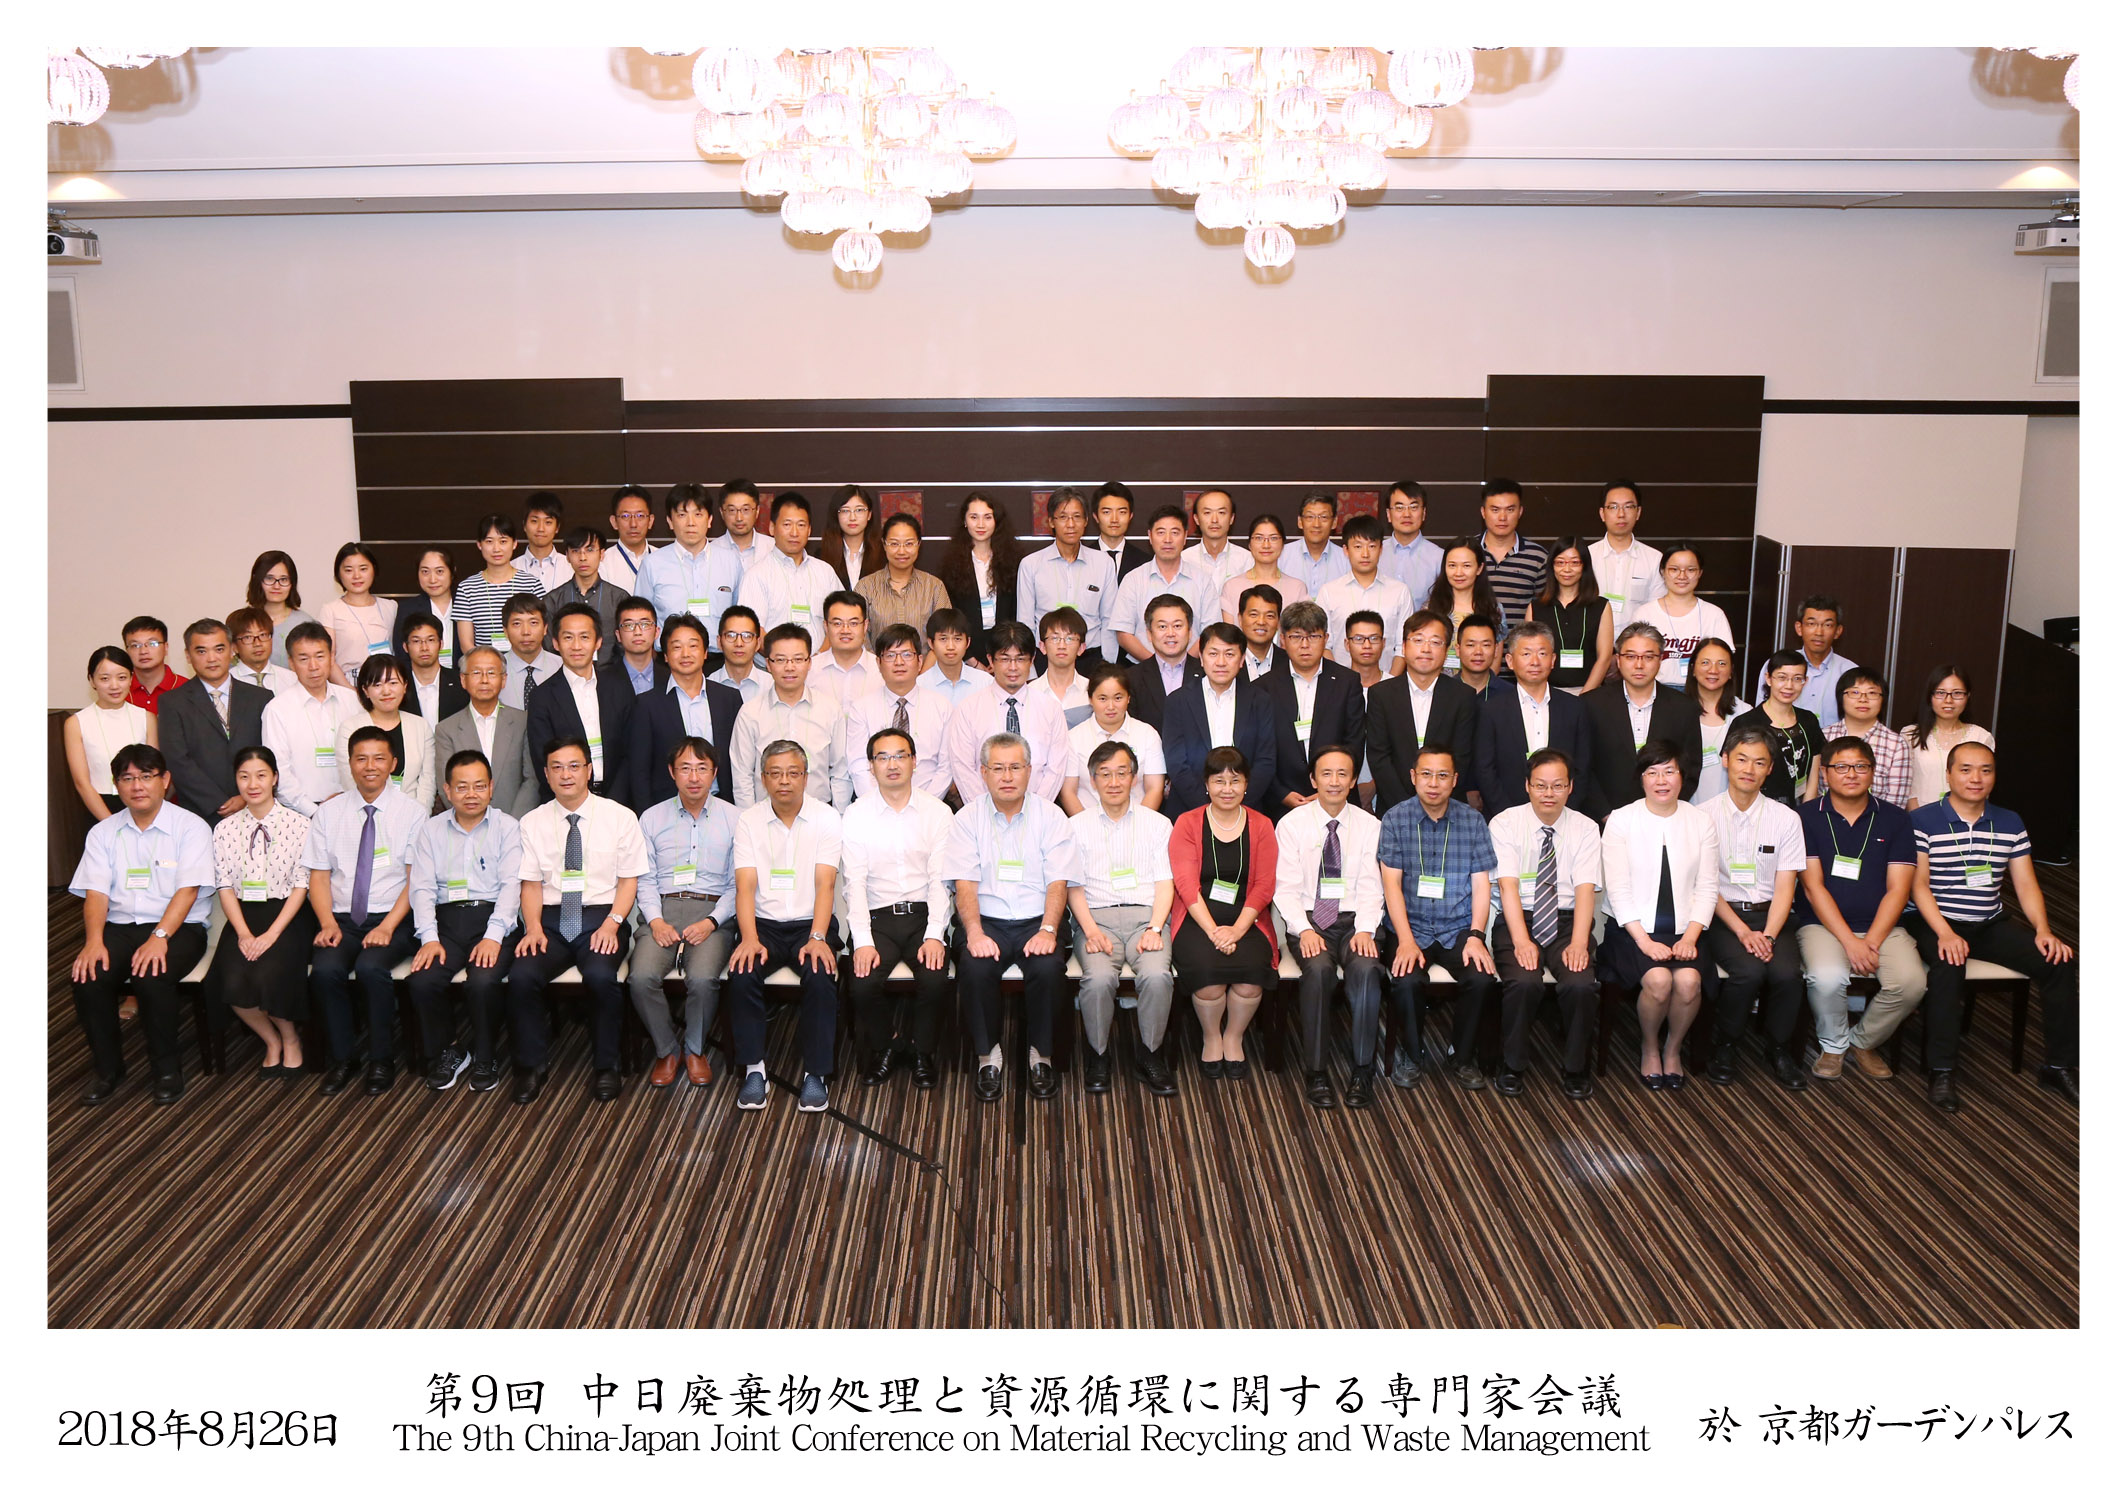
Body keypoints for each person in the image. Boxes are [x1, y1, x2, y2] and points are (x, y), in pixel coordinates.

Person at [1905, 742, 2077, 1110]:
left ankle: (2059, 1065)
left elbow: (2026, 884)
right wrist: (1945, 932)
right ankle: (1942, 1070)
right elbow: (1918, 885)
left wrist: (2043, 930)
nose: (1976, 778)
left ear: (1995, 776)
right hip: (1936, 922)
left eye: (1986, 770)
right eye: (1966, 769)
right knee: (1949, 963)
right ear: (1949, 775)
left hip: (1988, 922)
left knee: (2058, 961)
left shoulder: (2010, 821)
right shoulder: (1923, 820)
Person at [67, 744, 214, 1105]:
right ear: (116, 785)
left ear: (165, 780)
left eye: (146, 776)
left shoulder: (190, 827)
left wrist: (159, 936)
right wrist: (93, 941)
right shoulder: (103, 833)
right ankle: (108, 1069)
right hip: (120, 926)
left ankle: (166, 1069)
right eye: (127, 778)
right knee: (88, 975)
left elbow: (188, 891)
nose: (137, 786)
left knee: (151, 974)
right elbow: (96, 894)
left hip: (179, 928)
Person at [508, 737, 647, 1104]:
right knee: (522, 975)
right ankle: (530, 1066)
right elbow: (530, 884)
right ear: (546, 774)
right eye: (557, 767)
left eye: (574, 766)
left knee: (601, 976)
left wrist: (613, 923)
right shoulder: (532, 822)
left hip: (603, 916)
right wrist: (532, 928)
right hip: (550, 920)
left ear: (589, 770)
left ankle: (606, 1066)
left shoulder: (620, 817)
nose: (566, 774)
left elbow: (629, 880)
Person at [947, 732, 1077, 1100]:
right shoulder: (967, 819)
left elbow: (1058, 882)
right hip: (986, 920)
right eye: (998, 768)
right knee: (974, 967)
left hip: (1038, 918)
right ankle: (988, 1056)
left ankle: (1041, 1055)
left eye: (1015, 767)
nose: (1007, 776)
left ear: (1029, 771)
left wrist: (1048, 929)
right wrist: (974, 933)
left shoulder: (1051, 816)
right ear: (983, 773)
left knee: (1048, 968)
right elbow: (965, 885)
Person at [1795, 736, 1926, 1083]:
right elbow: (1813, 887)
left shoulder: (1896, 819)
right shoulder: (1805, 817)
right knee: (1826, 977)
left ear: (1872, 771)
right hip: (1821, 925)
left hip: (1882, 926)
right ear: (1825, 773)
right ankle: (1833, 1046)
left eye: (1860, 766)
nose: (1851, 774)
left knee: (1911, 983)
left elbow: (1899, 889)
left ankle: (1863, 1041)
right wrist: (1851, 943)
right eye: (1841, 767)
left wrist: (1872, 940)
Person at [303, 725, 424, 1098]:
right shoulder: (329, 813)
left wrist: (387, 927)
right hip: (342, 919)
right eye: (361, 759)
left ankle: (381, 1060)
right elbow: (318, 877)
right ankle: (343, 1059)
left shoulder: (412, 813)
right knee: (325, 970)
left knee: (372, 968)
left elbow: (414, 881)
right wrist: (326, 923)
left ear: (393, 764)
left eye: (378, 759)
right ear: (350, 763)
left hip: (395, 918)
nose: (370, 766)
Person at [727, 740, 843, 1112]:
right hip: (763, 924)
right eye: (775, 774)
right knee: (742, 972)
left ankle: (816, 1073)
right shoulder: (749, 820)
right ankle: (754, 1069)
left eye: (793, 773)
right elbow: (745, 885)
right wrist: (748, 938)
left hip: (812, 923)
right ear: (763, 779)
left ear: (806, 777)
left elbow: (826, 884)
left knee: (820, 974)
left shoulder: (826, 818)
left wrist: (818, 937)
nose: (784, 781)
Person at [1378, 746, 1500, 1092]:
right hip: (1410, 926)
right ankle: (1412, 1053)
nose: (1434, 783)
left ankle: (1461, 1055)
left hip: (1457, 927)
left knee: (1481, 978)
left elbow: (1481, 885)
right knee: (1406, 980)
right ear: (1413, 777)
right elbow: (1391, 886)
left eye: (1443, 775)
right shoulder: (1395, 819)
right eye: (1427, 774)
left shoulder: (1473, 821)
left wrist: (1476, 935)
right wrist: (1405, 940)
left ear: (1455, 780)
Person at [1598, 740, 1718, 1090]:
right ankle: (1650, 1046)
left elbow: (1708, 886)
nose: (1661, 780)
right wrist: (1645, 942)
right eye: (1652, 772)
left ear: (1683, 777)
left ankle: (1673, 1048)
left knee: (1689, 982)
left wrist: (1691, 938)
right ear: (1641, 778)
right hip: (1631, 932)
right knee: (1659, 980)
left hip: (1686, 931)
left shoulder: (1700, 821)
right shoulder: (1621, 820)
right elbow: (1617, 889)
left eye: (1669, 771)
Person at [843, 727, 955, 1089]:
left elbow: (941, 881)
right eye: (883, 757)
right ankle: (888, 1045)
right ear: (871, 766)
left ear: (914, 762)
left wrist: (935, 934)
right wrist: (862, 941)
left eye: (900, 756)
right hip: (878, 917)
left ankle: (923, 1051)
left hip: (923, 914)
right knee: (861, 983)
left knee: (935, 979)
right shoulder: (856, 815)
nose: (892, 765)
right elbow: (854, 883)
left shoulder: (937, 813)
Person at [406, 749, 523, 1094]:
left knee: (482, 982)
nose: (471, 794)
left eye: (479, 786)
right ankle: (451, 1051)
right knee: (423, 980)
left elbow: (511, 887)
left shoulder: (508, 827)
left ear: (491, 787)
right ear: (447, 790)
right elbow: (422, 888)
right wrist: (429, 937)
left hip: (493, 919)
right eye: (462, 787)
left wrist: (493, 936)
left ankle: (486, 1055)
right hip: (446, 922)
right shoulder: (431, 830)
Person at [1065, 741, 1179, 1095]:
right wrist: (1089, 930)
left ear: (1134, 777)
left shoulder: (1158, 824)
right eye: (1105, 774)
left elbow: (1165, 882)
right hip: (1096, 919)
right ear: (1092, 780)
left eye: (1121, 773)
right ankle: (1098, 1054)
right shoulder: (1075, 826)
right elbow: (1072, 887)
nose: (1113, 782)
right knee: (1098, 979)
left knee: (1157, 976)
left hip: (1147, 918)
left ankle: (1150, 1053)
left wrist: (1156, 927)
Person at [1488, 750, 1602, 1099]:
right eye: (1540, 785)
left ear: (1570, 787)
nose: (1548, 793)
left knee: (1580, 985)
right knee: (1524, 982)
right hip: (1518, 919)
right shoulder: (1505, 823)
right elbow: (1507, 886)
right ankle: (1512, 1065)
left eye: (1557, 785)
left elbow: (1585, 890)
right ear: (1527, 786)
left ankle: (1576, 1067)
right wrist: (1521, 941)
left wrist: (1580, 942)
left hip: (1568, 922)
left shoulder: (1586, 828)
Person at [1701, 726, 1811, 1090]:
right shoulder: (1702, 816)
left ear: (1770, 769)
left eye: (1759, 762)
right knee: (1747, 972)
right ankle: (1726, 1044)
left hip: (1772, 916)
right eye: (1742, 759)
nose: (1749, 769)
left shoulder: (1786, 818)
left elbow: (1786, 886)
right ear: (1725, 760)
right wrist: (1743, 931)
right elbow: (1706, 886)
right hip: (1722, 916)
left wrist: (1769, 935)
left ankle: (1778, 1048)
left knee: (1787, 974)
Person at [1277, 746, 1386, 1108]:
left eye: (1343, 774)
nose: (1334, 781)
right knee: (1319, 970)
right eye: (1326, 773)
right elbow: (1285, 888)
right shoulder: (1291, 824)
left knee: (1367, 970)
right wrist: (1303, 929)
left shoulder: (1370, 826)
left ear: (1353, 781)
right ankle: (1316, 1070)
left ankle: (1362, 1069)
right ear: (1313, 779)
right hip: (1311, 921)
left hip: (1356, 920)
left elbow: (1373, 886)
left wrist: (1366, 929)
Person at [627, 738, 738, 1090]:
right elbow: (644, 879)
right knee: (640, 978)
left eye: (702, 768)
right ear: (672, 773)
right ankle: (667, 1050)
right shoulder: (651, 817)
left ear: (714, 773)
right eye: (685, 768)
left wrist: (712, 921)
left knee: (703, 979)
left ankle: (695, 1050)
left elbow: (739, 884)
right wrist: (656, 921)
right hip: (662, 909)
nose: (694, 777)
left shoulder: (735, 819)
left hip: (713, 911)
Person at [1167, 747, 1279, 1081]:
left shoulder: (1262, 825)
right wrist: (1215, 931)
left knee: (1250, 977)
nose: (1227, 789)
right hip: (1197, 919)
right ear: (1206, 784)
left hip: (1249, 919)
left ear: (1246, 785)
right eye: (1219, 781)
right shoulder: (1187, 823)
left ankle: (1234, 1036)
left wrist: (1236, 930)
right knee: (1209, 978)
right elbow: (1186, 885)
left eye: (1235, 781)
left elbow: (1264, 885)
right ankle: (1212, 1036)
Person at [207, 746, 317, 1078]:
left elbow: (302, 884)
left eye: (260, 775)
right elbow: (224, 885)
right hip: (244, 916)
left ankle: (290, 1038)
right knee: (230, 977)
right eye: (244, 777)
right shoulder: (224, 829)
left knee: (269, 974)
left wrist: (272, 934)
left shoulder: (299, 825)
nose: (252, 784)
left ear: (274, 778)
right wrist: (243, 933)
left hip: (289, 916)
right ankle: (270, 1039)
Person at [1475, 621, 1598, 816]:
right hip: (1507, 817)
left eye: (1542, 653)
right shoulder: (1491, 709)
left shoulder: (1575, 707)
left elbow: (1582, 767)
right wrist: (1508, 816)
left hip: (1564, 816)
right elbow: (1485, 769)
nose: (1535, 662)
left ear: (1553, 660)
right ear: (1510, 661)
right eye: (1526, 654)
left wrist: (1566, 812)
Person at [943, 622, 1070, 807]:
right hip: (983, 813)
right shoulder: (968, 709)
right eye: (1004, 659)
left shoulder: (1051, 709)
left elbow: (1056, 769)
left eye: (1020, 659)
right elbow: (963, 769)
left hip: (1039, 813)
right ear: (991, 660)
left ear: (1032, 660)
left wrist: (1036, 812)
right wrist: (986, 812)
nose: (1013, 667)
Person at [1366, 610, 1479, 816]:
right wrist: (1406, 807)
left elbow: (1462, 757)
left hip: (1447, 809)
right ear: (1404, 646)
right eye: (1418, 640)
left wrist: (1436, 803)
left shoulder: (1463, 696)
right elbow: (1379, 756)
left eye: (1435, 642)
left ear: (1446, 650)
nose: (1426, 649)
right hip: (1394, 809)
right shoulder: (1381, 694)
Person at [1583, 620, 1702, 815]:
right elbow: (1583, 766)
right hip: (1605, 818)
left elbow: (1691, 769)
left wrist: (1664, 811)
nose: (1639, 665)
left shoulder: (1684, 708)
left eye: (1648, 657)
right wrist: (1605, 815)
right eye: (1630, 656)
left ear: (1660, 659)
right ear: (1618, 660)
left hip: (1664, 817)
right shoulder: (1591, 705)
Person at [161, 619, 272, 826]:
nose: (211, 658)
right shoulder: (172, 702)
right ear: (188, 655)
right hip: (200, 814)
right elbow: (177, 761)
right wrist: (218, 802)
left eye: (219, 649)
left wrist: (245, 796)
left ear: (232, 650)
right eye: (201, 651)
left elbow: (269, 754)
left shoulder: (260, 698)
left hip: (255, 808)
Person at [524, 603, 635, 806]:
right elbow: (543, 760)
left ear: (598, 642)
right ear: (555, 643)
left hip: (618, 802)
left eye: (584, 637)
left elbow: (630, 751)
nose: (576, 646)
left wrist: (613, 803)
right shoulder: (542, 697)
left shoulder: (619, 687)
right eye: (568, 637)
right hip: (565, 803)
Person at [1162, 622, 1277, 816]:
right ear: (1201, 658)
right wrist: (1208, 808)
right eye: (1213, 654)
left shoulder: (1260, 700)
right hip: (1190, 810)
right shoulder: (1178, 701)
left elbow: (1265, 760)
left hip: (1246, 810)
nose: (1221, 662)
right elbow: (1176, 763)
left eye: (1230, 654)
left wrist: (1238, 803)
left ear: (1242, 660)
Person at [729, 623, 850, 809]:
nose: (790, 667)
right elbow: (742, 777)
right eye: (780, 660)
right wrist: (749, 820)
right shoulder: (750, 713)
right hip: (766, 815)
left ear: (809, 663)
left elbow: (841, 772)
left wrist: (838, 816)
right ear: (768, 664)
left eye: (798, 659)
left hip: (819, 814)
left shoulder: (830, 710)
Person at [632, 613, 743, 808]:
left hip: (722, 805)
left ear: (705, 652)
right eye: (677, 647)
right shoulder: (647, 704)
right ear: (666, 656)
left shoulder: (729, 699)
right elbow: (639, 770)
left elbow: (741, 761)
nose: (685, 654)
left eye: (693, 646)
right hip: (668, 809)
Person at [1264, 601, 1364, 816]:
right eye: (1296, 636)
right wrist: (1281, 793)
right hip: (1281, 802)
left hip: (1337, 796)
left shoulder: (1347, 682)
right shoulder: (1264, 687)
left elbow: (1354, 743)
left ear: (1326, 639)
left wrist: (1328, 788)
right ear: (1283, 640)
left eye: (1313, 636)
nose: (1305, 645)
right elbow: (1261, 749)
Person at [261, 621, 362, 817]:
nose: (313, 666)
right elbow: (280, 772)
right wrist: (314, 812)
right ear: (291, 663)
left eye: (320, 656)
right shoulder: (277, 709)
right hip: (302, 813)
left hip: (354, 807)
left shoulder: (352, 701)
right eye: (303, 659)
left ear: (331, 658)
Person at [844, 624, 954, 800]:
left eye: (907, 654)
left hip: (930, 804)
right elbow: (858, 765)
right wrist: (879, 804)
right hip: (876, 806)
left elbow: (946, 767)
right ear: (878, 663)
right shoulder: (861, 709)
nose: (899, 662)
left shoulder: (941, 707)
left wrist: (926, 806)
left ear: (919, 661)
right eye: (890, 655)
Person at [432, 647, 540, 820]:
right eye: (476, 673)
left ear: (503, 680)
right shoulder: (446, 730)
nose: (484, 680)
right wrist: (472, 822)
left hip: (516, 824)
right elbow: (447, 785)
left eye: (491, 673)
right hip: (467, 826)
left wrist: (512, 824)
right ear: (463, 680)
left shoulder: (523, 722)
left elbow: (532, 780)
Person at [1015, 488, 1116, 665]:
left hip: (1090, 658)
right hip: (1045, 658)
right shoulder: (1031, 565)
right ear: (1051, 522)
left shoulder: (1104, 563)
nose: (1070, 524)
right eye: (1063, 517)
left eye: (1077, 517)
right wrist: (1030, 668)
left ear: (1086, 521)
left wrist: (1107, 665)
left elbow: (1109, 620)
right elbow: (1025, 623)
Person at [1110, 505, 1212, 663]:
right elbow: (1123, 633)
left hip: (1193, 669)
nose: (1168, 539)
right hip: (1142, 669)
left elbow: (1210, 632)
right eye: (1161, 532)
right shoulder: (1133, 580)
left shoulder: (1203, 581)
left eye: (1175, 533)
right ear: (1150, 536)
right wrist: (1155, 667)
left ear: (1185, 536)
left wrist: (1184, 665)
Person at [640, 482, 747, 632]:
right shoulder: (652, 564)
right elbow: (641, 619)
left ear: (709, 520)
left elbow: (740, 616)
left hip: (717, 647)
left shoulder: (731, 562)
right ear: (670, 521)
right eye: (682, 515)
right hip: (670, 647)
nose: (691, 523)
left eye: (698, 514)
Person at [1062, 665, 1166, 814]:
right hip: (1087, 822)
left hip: (1138, 821)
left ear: (1128, 698)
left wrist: (1139, 824)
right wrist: (1086, 825)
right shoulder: (1073, 738)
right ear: (1090, 699)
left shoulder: (1147, 734)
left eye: (1118, 698)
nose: (1110, 706)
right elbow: (1068, 792)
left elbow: (1154, 789)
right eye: (1102, 699)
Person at [1625, 544, 1732, 689]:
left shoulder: (1714, 614)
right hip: (1654, 691)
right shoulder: (1644, 613)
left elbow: (1724, 662)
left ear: (1700, 573)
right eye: (1674, 569)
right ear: (1662, 572)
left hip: (1699, 691)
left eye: (1691, 570)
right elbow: (1631, 660)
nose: (1682, 576)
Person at [741, 491, 845, 640]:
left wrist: (821, 652)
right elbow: (752, 630)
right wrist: (781, 654)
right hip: (774, 656)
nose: (794, 532)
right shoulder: (757, 575)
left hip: (821, 655)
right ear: (772, 528)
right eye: (787, 524)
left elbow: (841, 620)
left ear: (809, 530)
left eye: (801, 525)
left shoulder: (825, 572)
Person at [336, 655, 435, 810]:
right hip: (367, 813)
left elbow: (428, 780)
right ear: (365, 691)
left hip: (413, 813)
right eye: (377, 684)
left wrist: (419, 815)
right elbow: (350, 779)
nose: (386, 691)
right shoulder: (350, 728)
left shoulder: (421, 726)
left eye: (393, 683)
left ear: (405, 686)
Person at [66, 646, 153, 820]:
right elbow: (82, 783)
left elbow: (153, 773)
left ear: (131, 678)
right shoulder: (76, 723)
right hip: (99, 808)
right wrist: (110, 824)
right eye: (105, 678)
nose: (114, 686)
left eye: (122, 677)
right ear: (92, 680)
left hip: (143, 806)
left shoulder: (146, 717)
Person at [1732, 649, 1825, 806]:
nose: (1789, 686)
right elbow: (1737, 773)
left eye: (1797, 679)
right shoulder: (1746, 723)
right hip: (1758, 808)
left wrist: (1807, 810)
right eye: (1782, 678)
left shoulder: (1808, 720)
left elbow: (1813, 771)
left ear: (1805, 681)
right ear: (1768, 678)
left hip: (1801, 807)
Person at [1319, 516, 1414, 668]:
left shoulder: (1400, 591)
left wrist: (1390, 680)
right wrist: (1339, 680)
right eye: (1358, 547)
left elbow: (1402, 647)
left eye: (1371, 546)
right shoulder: (1328, 592)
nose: (1365, 554)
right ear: (1346, 550)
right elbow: (1324, 645)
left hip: (1387, 679)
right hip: (1340, 680)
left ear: (1381, 549)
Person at [939, 491, 1023, 660]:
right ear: (965, 521)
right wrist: (970, 659)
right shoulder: (951, 564)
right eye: (974, 517)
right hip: (966, 650)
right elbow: (950, 615)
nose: (980, 524)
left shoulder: (1013, 561)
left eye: (987, 517)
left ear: (996, 521)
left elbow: (1016, 612)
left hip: (1006, 649)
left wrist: (1005, 655)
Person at [1900, 664, 1995, 810]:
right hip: (1918, 816)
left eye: (1957, 693)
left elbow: (1983, 785)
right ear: (1930, 696)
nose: (1948, 700)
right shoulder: (1910, 735)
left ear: (1968, 696)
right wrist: (1918, 818)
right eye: (1940, 693)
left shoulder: (1980, 737)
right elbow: (1906, 785)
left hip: (1965, 817)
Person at [452, 515, 545, 660]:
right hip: (484, 667)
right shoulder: (467, 588)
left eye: (503, 541)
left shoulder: (531, 584)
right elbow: (466, 644)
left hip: (525, 664)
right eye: (489, 541)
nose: (496, 549)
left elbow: (540, 632)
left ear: (514, 543)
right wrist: (490, 667)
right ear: (479, 545)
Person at [1752, 595, 1856, 721]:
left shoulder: (1850, 671)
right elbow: (1761, 714)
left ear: (1838, 631)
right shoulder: (1777, 665)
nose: (1819, 632)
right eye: (1811, 624)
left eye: (1827, 625)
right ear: (1799, 628)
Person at [1529, 537, 1613, 692]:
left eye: (1575, 562)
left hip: (1589, 693)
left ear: (1584, 566)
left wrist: (1585, 697)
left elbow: (1605, 658)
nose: (1567, 569)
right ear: (1552, 566)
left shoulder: (1601, 606)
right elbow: (1530, 655)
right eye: (1560, 562)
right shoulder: (1536, 607)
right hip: (1546, 693)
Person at [858, 512, 950, 650]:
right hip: (876, 664)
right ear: (884, 544)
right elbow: (859, 636)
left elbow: (944, 636)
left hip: (926, 664)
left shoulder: (934, 587)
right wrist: (877, 663)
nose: (901, 551)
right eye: (894, 544)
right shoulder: (865, 587)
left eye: (909, 544)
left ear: (919, 544)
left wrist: (925, 665)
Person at [1823, 667, 1912, 809]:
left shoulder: (1896, 744)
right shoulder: (1823, 737)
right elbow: (1815, 789)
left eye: (1872, 693)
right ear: (1841, 697)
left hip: (1878, 820)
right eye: (1855, 692)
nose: (1863, 699)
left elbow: (1895, 802)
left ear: (1883, 699)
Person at [314, 542, 399, 688]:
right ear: (338, 574)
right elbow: (328, 659)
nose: (356, 576)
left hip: (387, 683)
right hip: (348, 683)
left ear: (374, 569)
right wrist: (352, 693)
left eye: (363, 569)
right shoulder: (330, 610)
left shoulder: (391, 607)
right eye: (348, 570)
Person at [542, 526, 628, 665]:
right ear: (567, 556)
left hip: (609, 673)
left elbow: (625, 645)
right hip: (565, 673)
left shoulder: (619, 598)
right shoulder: (553, 600)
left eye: (590, 550)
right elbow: (549, 647)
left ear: (602, 554)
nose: (582, 558)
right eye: (575, 551)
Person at [1589, 479, 1663, 631]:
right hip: (1593, 642)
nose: (1621, 514)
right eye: (1613, 507)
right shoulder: (1587, 556)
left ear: (1638, 512)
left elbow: (1657, 612)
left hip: (1637, 643)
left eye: (1628, 507)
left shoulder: (1654, 559)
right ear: (1602, 514)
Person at [1121, 596, 1202, 733]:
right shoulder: (1131, 678)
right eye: (1162, 627)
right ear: (1149, 634)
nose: (1170, 633)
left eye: (1177, 626)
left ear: (1190, 632)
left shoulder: (1206, 674)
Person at [1475, 479, 1549, 626]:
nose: (1502, 517)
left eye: (1510, 510)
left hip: (1520, 641)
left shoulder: (1538, 557)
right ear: (1483, 512)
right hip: (1474, 640)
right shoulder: (1466, 551)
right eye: (1495, 510)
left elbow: (1544, 610)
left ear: (1520, 511)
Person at [1423, 540, 1503, 673]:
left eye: (1466, 566)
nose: (1458, 573)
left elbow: (1494, 662)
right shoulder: (1430, 608)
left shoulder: (1494, 609)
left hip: (1479, 684)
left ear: (1479, 568)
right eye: (1452, 565)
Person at [1685, 638, 1746, 806]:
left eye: (1722, 664)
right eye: (1705, 662)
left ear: (1731, 671)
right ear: (1693, 669)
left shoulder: (1745, 714)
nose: (1713, 670)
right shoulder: (1676, 711)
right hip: (1684, 809)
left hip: (1731, 809)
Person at [392, 547, 462, 674]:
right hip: (422, 680)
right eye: (425, 572)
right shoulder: (407, 609)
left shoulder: (466, 603)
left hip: (463, 679)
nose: (432, 579)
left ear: (452, 571)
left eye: (439, 571)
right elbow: (402, 654)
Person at [1378, 480, 1444, 607]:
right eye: (1399, 508)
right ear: (1388, 514)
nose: (1407, 514)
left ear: (1423, 513)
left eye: (1413, 507)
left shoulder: (1439, 558)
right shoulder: (1374, 554)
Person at [246, 550, 316, 667]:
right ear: (257, 580)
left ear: (292, 583)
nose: (276, 586)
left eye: (284, 579)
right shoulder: (243, 622)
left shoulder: (305, 623)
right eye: (269, 578)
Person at [810, 591, 884, 701]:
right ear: (826, 627)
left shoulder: (882, 670)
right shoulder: (809, 670)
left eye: (853, 623)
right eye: (837, 623)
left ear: (865, 626)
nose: (845, 630)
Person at [496, 592, 562, 711]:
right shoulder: (493, 671)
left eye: (533, 623)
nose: (526, 631)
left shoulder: (562, 667)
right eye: (517, 624)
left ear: (545, 628)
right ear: (505, 631)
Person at [917, 607, 993, 709]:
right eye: (943, 639)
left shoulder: (986, 683)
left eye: (957, 639)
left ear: (968, 642)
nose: (950, 646)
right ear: (931, 643)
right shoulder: (919, 686)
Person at [399, 616, 469, 726]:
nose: (424, 648)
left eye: (431, 640)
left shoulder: (461, 682)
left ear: (441, 644)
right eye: (416, 641)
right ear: (405, 647)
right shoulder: (398, 686)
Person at [1181, 488, 1251, 598]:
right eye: (1207, 513)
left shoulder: (1247, 560)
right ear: (1196, 519)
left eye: (1221, 512)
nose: (1214, 520)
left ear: (1231, 518)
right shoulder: (1184, 560)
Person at [1030, 607, 1093, 728]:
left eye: (1069, 639)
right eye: (1055, 638)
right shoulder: (1030, 693)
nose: (1062, 645)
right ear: (1042, 647)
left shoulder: (1092, 691)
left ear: (1081, 648)